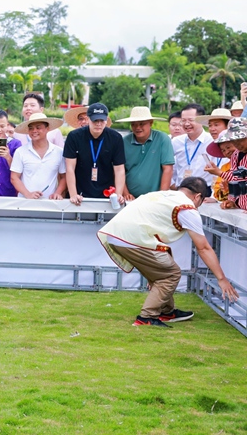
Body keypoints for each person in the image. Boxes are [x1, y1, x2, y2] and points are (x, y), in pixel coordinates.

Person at [97, 176, 239, 327]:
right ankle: (147, 318)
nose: (199, 205)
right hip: (132, 238)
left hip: (115, 234)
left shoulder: (162, 195)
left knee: (163, 271)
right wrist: (221, 279)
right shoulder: (187, 208)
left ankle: (167, 311)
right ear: (198, 196)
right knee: (170, 274)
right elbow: (203, 248)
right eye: (201, 201)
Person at [63, 102, 125, 204]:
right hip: (80, 192)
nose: (98, 123)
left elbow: (119, 170)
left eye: (102, 120)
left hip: (106, 193)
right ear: (88, 119)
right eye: (95, 120)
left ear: (106, 120)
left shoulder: (116, 138)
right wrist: (73, 194)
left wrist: (118, 194)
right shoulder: (74, 137)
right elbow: (70, 168)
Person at [116, 107, 174, 201]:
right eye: (133, 124)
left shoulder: (162, 139)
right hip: (130, 198)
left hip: (155, 198)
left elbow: (168, 169)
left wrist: (161, 195)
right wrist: (126, 193)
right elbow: (119, 170)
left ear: (150, 123)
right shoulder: (124, 142)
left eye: (142, 124)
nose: (137, 127)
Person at [10, 113, 66, 199]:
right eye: (31, 128)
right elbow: (14, 177)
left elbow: (64, 177)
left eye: (38, 127)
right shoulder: (21, 151)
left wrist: (57, 193)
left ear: (47, 129)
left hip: (50, 202)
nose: (34, 131)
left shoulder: (59, 152)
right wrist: (27, 194)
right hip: (24, 202)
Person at [207, 118, 247, 210]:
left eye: (240, 139)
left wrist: (219, 173)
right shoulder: (236, 155)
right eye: (233, 140)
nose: (237, 144)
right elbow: (234, 182)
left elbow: (242, 179)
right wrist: (232, 201)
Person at [171, 104, 213, 188]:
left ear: (201, 120)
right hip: (181, 189)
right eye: (183, 120)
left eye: (190, 120)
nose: (186, 124)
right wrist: (172, 184)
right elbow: (166, 164)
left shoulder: (211, 141)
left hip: (204, 191)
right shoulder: (176, 141)